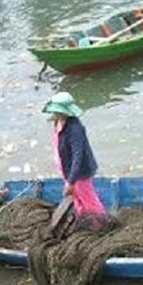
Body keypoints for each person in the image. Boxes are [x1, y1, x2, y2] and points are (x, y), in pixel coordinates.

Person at [42, 92, 106, 223]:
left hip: (79, 172)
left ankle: (101, 223)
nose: (55, 114)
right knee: (76, 198)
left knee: (88, 198)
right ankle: (83, 219)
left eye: (57, 112)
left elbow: (78, 155)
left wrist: (71, 181)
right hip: (66, 169)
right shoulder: (59, 122)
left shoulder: (75, 128)